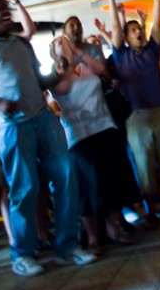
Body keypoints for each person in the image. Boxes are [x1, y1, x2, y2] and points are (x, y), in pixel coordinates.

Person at [0, 0, 96, 276]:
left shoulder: (21, 43)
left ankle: (67, 247)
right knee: (25, 188)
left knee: (66, 177)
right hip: (11, 126)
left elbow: (39, 80)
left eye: (8, 11)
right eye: (1, 12)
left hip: (42, 117)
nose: (7, 16)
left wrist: (57, 73)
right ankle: (22, 254)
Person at [107, 0, 160, 229]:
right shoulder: (120, 55)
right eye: (132, 31)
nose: (137, 32)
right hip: (136, 117)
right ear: (126, 37)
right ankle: (151, 210)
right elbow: (115, 30)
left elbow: (157, 24)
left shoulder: (152, 51)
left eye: (137, 29)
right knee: (143, 165)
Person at [50, 35, 135, 252]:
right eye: (59, 44)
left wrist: (78, 53)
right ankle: (93, 238)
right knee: (89, 187)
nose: (65, 43)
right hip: (79, 136)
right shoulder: (56, 75)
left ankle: (113, 227)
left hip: (105, 127)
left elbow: (103, 69)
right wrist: (64, 62)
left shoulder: (85, 66)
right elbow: (64, 88)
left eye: (65, 40)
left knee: (113, 180)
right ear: (54, 53)